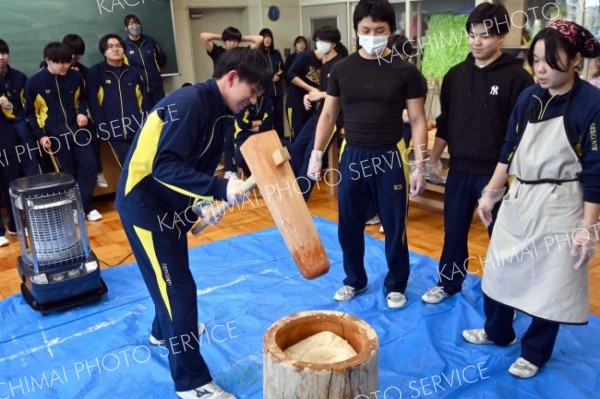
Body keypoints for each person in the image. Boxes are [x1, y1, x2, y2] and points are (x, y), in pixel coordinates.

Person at [115, 47, 270, 399]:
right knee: (179, 289)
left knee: (172, 278)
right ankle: (192, 383)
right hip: (145, 207)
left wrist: (202, 202)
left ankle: (162, 331)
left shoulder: (222, 112)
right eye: (253, 92)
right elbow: (164, 166)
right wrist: (219, 187)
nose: (254, 102)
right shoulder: (190, 104)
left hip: (171, 204)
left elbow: (193, 167)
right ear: (232, 78)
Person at [462, 21, 600, 379]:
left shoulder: (591, 104)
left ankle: (535, 352)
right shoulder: (528, 98)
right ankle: (498, 332)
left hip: (562, 201)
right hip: (520, 195)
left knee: (550, 282)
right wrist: (491, 193)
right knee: (499, 269)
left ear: (573, 61)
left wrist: (588, 227)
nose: (540, 69)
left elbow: (595, 171)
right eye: (535, 60)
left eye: (550, 61)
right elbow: (508, 150)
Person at [309, 0, 428, 309]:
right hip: (353, 154)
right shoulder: (341, 69)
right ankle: (354, 279)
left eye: (380, 30)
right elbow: (328, 116)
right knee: (348, 224)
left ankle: (396, 283)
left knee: (394, 224)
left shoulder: (405, 72)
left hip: (390, 155)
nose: (372, 35)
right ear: (356, 31)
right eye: (366, 30)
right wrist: (316, 153)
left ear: (391, 32)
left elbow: (417, 120)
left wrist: (420, 165)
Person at [420, 3, 534, 304]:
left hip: (496, 175)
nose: (476, 42)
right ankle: (449, 282)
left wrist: (507, 176)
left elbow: (522, 133)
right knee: (454, 231)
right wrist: (433, 158)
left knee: (502, 236)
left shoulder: (517, 78)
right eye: (472, 35)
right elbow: (445, 122)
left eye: (484, 36)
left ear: (501, 36)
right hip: (459, 170)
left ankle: (507, 291)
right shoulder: (456, 75)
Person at [25, 42, 102, 221]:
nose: (65, 66)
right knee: (69, 173)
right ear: (48, 61)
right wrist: (41, 135)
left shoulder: (75, 77)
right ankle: (85, 207)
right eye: (60, 62)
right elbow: (29, 113)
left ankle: (81, 207)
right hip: (54, 135)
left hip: (78, 131)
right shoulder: (34, 83)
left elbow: (82, 99)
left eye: (68, 62)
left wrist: (82, 113)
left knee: (90, 166)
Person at [291, 26, 347, 200]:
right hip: (319, 114)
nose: (319, 44)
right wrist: (309, 97)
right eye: (318, 40)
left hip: (334, 117)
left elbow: (343, 92)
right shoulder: (324, 65)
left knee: (311, 154)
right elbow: (323, 92)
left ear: (333, 44)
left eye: (323, 40)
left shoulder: (341, 64)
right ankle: (294, 187)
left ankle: (301, 196)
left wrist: (320, 94)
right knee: (297, 148)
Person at [199, 27, 263, 179]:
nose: (232, 43)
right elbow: (204, 35)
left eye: (235, 40)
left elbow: (259, 39)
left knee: (233, 134)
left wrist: (240, 38)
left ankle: (234, 167)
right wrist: (224, 36)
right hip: (221, 98)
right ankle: (228, 169)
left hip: (238, 98)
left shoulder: (243, 53)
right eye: (230, 40)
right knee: (224, 135)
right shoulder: (218, 51)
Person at [87, 34, 150, 168]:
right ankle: (130, 189)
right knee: (129, 165)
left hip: (136, 127)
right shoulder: (96, 72)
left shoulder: (133, 72)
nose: (116, 49)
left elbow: (143, 100)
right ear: (104, 51)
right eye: (111, 47)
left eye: (119, 46)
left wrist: (143, 123)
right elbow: (94, 104)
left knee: (143, 164)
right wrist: (102, 127)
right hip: (113, 130)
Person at [0, 38, 41, 177]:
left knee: (25, 134)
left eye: (4, 53)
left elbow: (28, 103)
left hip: (19, 118)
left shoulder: (20, 77)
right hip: (1, 122)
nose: (1, 57)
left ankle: (33, 177)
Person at [123, 14, 167, 107]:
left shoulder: (151, 41)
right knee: (144, 117)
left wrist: (154, 73)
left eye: (136, 23)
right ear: (126, 28)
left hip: (156, 87)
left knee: (160, 113)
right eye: (131, 24)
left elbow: (162, 59)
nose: (134, 26)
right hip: (137, 89)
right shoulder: (124, 46)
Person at [233, 95, 273, 177]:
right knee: (240, 159)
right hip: (243, 134)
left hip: (262, 133)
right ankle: (249, 176)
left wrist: (251, 125)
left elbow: (267, 124)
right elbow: (242, 124)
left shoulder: (267, 101)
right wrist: (259, 122)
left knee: (288, 148)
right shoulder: (242, 100)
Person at [259, 28, 285, 139]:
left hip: (278, 92)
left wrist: (279, 75)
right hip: (265, 93)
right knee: (267, 119)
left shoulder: (276, 53)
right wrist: (270, 77)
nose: (267, 40)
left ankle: (281, 144)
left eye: (269, 37)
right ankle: (267, 143)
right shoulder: (258, 54)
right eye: (264, 37)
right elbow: (257, 72)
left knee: (279, 120)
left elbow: (283, 69)